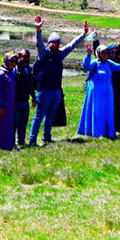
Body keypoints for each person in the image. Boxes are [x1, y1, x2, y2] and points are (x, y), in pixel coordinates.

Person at [29, 15, 87, 145]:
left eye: (57, 42)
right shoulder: (43, 53)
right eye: (53, 42)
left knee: (50, 116)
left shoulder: (60, 54)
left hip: (56, 91)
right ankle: (32, 140)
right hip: (44, 91)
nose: (55, 44)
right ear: (49, 43)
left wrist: (83, 34)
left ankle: (47, 137)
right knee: (39, 116)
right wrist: (38, 30)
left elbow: (72, 45)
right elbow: (39, 43)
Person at [78, 44, 120, 138]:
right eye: (103, 52)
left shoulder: (109, 63)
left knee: (106, 113)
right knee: (97, 112)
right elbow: (86, 66)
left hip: (108, 94)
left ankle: (106, 132)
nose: (105, 55)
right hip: (96, 94)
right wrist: (88, 55)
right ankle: (96, 132)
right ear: (98, 53)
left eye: (107, 52)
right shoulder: (94, 63)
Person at [13, 49, 36, 147]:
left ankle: (21, 141)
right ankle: (11, 142)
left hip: (25, 100)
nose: (27, 59)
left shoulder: (29, 69)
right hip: (16, 101)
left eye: (28, 57)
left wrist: (33, 97)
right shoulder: (14, 69)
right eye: (25, 56)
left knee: (23, 123)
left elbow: (31, 85)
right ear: (19, 57)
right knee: (14, 123)